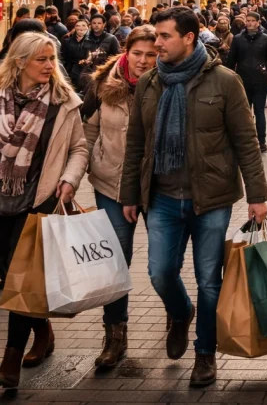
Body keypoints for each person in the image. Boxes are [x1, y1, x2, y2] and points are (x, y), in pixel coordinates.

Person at [120, 6, 267, 387]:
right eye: (156, 36)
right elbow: (136, 141)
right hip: (164, 197)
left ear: (189, 38)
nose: (157, 43)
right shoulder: (152, 83)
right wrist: (130, 195)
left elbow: (246, 142)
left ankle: (205, 354)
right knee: (159, 272)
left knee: (209, 280)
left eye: (164, 36)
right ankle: (180, 311)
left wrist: (257, 195)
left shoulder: (224, 81)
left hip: (212, 197)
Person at [0, 33, 88, 388]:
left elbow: (79, 149)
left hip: (37, 201)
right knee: (8, 272)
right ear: (20, 61)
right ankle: (44, 331)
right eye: (41, 59)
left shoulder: (63, 102)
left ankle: (9, 361)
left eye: (52, 59)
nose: (50, 66)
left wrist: (69, 180)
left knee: (20, 278)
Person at [80, 25, 158, 368]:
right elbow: (87, 133)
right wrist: (77, 172)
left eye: (151, 54)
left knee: (163, 266)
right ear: (125, 51)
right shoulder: (102, 85)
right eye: (137, 53)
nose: (142, 61)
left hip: (158, 187)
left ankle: (177, 314)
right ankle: (114, 335)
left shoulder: (169, 85)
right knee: (114, 260)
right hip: (111, 183)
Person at [224, 12, 267, 152]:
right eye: (248, 21)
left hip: (260, 79)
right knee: (244, 111)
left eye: (253, 21)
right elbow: (231, 59)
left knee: (259, 111)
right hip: (242, 79)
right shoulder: (238, 39)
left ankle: (262, 140)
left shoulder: (266, 39)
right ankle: (244, 140)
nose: (249, 23)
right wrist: (229, 76)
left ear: (258, 22)